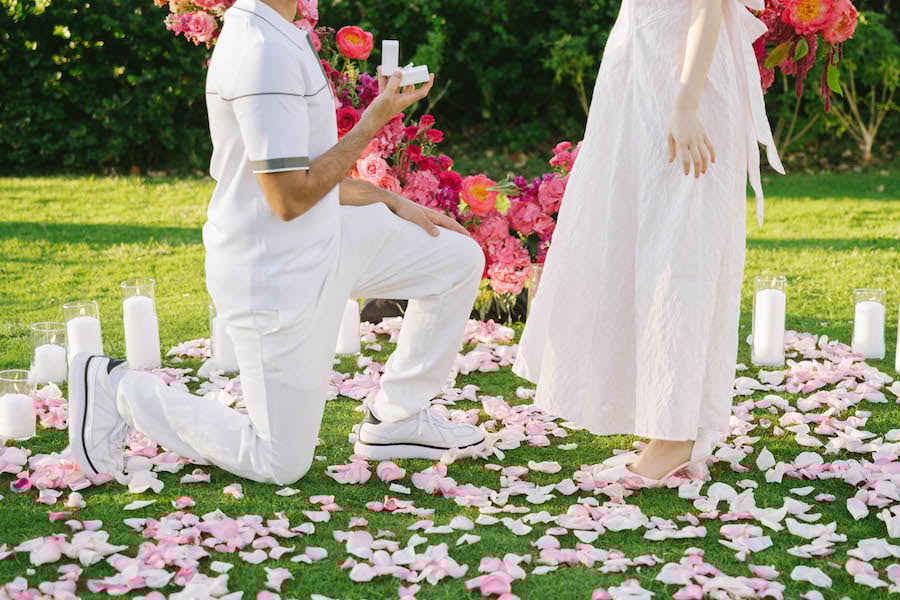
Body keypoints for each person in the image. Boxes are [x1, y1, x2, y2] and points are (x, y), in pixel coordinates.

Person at [67, 0, 486, 485]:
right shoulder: (261, 51)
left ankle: (398, 417)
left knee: (454, 258)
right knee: (280, 463)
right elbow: (288, 196)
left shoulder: (281, 32)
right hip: (274, 272)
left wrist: (384, 199)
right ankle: (114, 386)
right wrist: (375, 119)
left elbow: (297, 168)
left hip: (329, 237)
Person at [514, 0, 783, 487]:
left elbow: (706, 9)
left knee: (679, 253)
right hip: (644, 80)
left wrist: (685, 103)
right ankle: (668, 421)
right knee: (643, 246)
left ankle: (677, 434)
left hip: (683, 89)